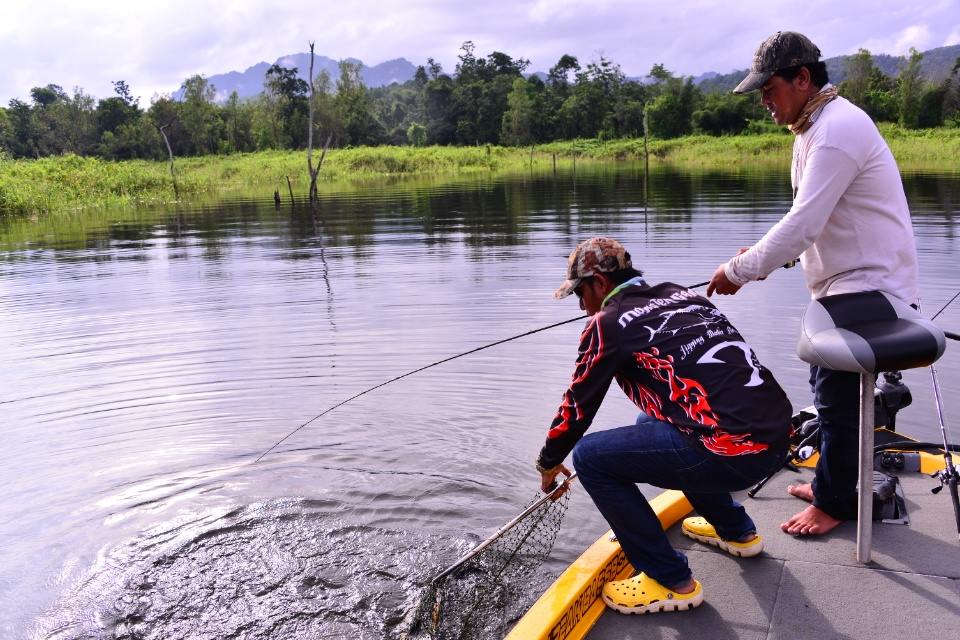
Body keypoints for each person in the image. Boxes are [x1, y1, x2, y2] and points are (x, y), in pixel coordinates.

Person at [706, 31, 920, 537]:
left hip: (872, 290)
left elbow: (802, 225)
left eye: (769, 89)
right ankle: (835, 483)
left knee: (834, 395)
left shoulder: (836, 130)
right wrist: (764, 259)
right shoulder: (813, 128)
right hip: (848, 285)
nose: (764, 101)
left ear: (803, 79)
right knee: (826, 388)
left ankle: (834, 502)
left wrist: (740, 271)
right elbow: (813, 223)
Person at [536, 237, 792, 615]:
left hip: (733, 452)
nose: (580, 305)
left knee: (590, 457)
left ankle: (670, 581)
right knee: (651, 421)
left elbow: (577, 407)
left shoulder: (607, 324)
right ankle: (737, 532)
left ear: (601, 284)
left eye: (580, 292)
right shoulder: (682, 295)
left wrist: (548, 462)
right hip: (777, 440)